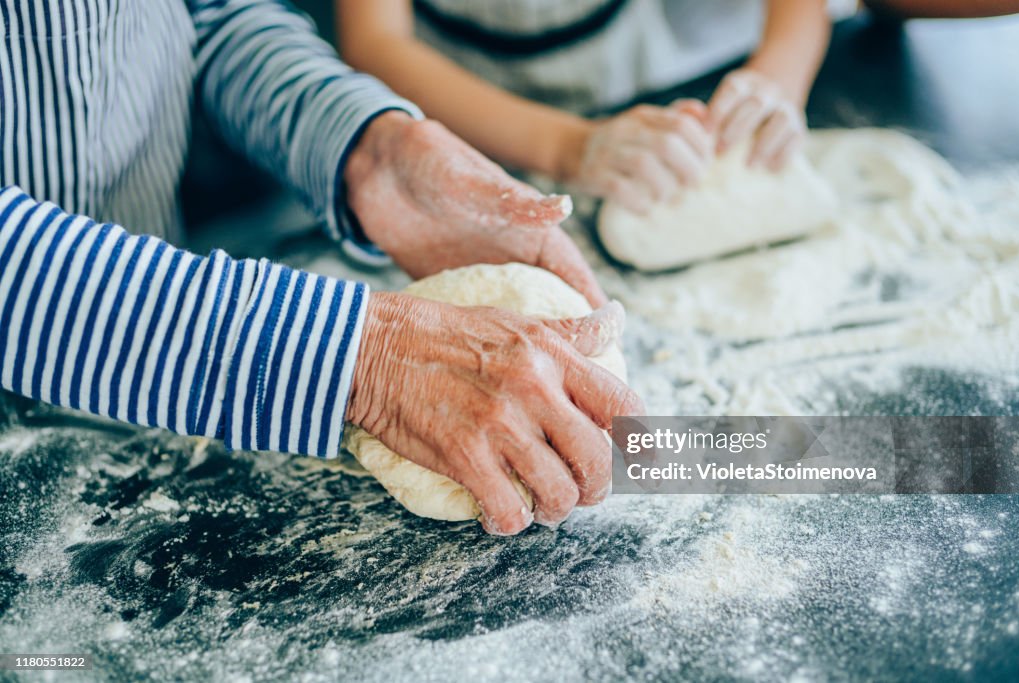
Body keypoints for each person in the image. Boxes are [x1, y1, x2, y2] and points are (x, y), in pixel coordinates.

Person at [0, 0, 642, 536]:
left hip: (162, 380)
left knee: (722, 453)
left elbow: (210, 15)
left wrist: (366, 147)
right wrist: (357, 356)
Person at [336, 0, 840, 214]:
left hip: (626, 77)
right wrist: (567, 146)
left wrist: (780, 71)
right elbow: (375, 43)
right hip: (449, 106)